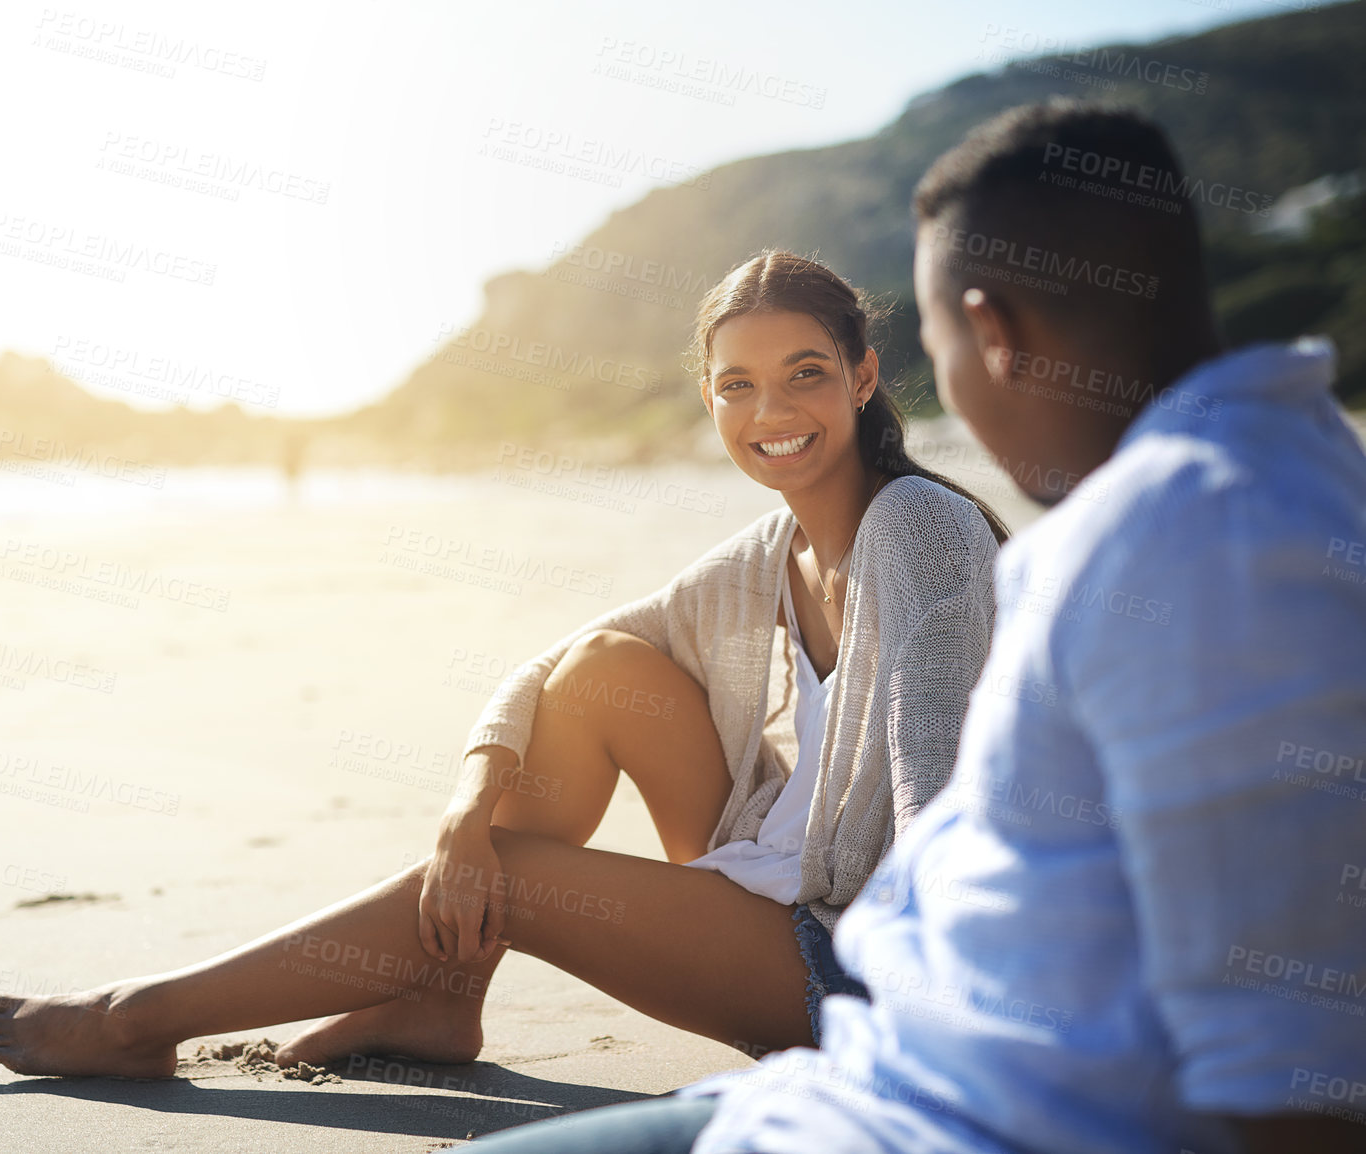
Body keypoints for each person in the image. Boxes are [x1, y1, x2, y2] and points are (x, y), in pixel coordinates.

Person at [464, 101, 1366, 1154]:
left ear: (992, 331)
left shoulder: (1190, 538)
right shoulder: (1279, 476)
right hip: (880, 1066)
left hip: (915, 1114)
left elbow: (1291, 1077)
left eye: (934, 350)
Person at [0, 251, 1006, 1078]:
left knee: (516, 868)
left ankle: (139, 1015)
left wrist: (942, 1045)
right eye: (739, 384)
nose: (771, 413)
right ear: (708, 397)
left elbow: (938, 795)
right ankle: (444, 992)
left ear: (864, 376)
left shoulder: (917, 528)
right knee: (601, 667)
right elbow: (550, 666)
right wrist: (466, 810)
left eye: (805, 376)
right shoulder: (766, 556)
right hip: (771, 884)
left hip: (855, 962)